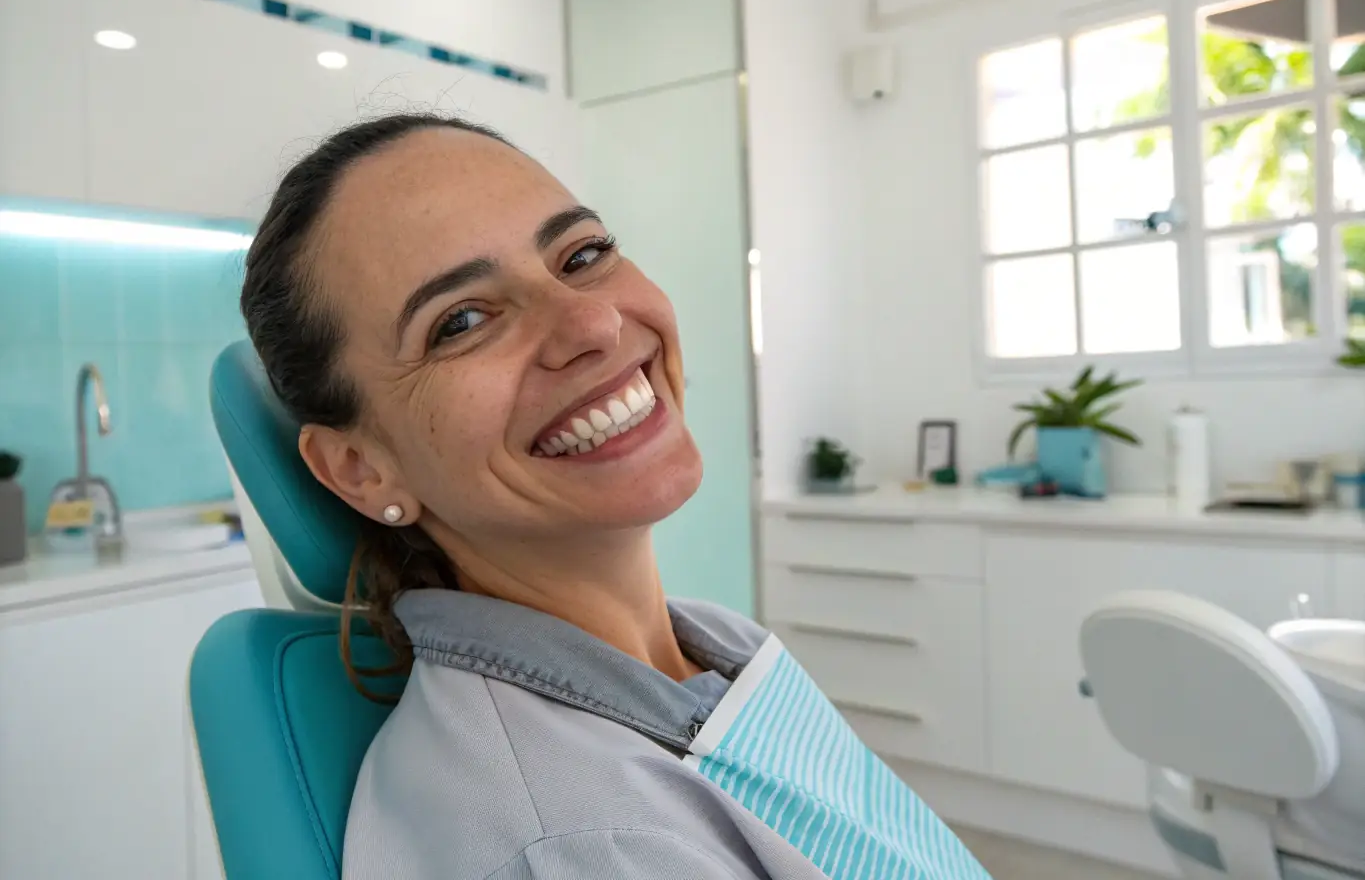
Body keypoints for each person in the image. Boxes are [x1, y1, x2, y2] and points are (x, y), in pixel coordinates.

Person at [240, 113, 992, 879]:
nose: (593, 321)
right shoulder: (580, 843)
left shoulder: (709, 645)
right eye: (461, 321)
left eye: (583, 254)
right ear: (361, 469)